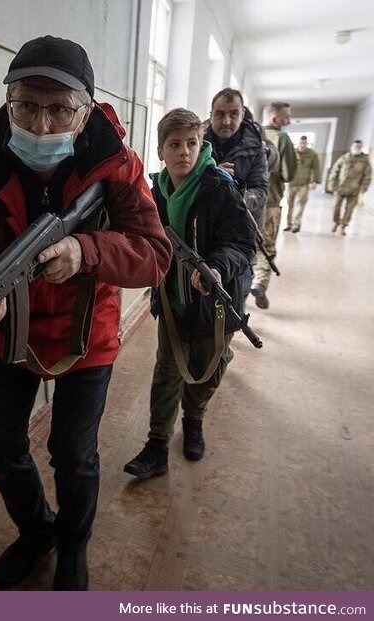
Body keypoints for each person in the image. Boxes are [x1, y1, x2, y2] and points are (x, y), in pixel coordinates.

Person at [0, 35, 172, 591]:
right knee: (2, 446)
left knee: (73, 455)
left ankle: (74, 547)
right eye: (27, 105)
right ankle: (37, 532)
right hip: (9, 336)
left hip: (88, 337)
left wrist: (87, 252)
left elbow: (155, 255)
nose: (40, 124)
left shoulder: (119, 168)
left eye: (59, 107)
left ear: (85, 112)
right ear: (9, 102)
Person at [123, 108, 254, 480]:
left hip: (216, 301)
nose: (184, 151)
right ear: (161, 150)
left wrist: (216, 267)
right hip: (173, 300)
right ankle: (157, 446)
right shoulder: (154, 194)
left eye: (192, 143)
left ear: (202, 145)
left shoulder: (220, 189)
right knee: (168, 371)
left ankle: (194, 420)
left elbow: (241, 243)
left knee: (211, 367)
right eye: (174, 144)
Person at [204, 88, 273, 297]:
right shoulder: (195, 141)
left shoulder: (256, 148)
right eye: (220, 113)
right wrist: (208, 176)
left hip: (241, 231)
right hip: (203, 227)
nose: (226, 121)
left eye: (233, 114)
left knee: (235, 293)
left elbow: (261, 191)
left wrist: (233, 193)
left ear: (242, 114)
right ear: (211, 114)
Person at [250, 101, 297, 310]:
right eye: (286, 117)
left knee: (244, 246)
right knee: (266, 246)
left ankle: (241, 288)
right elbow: (288, 173)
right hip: (270, 201)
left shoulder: (247, 134)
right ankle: (260, 283)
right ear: (275, 119)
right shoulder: (282, 139)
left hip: (246, 201)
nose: (289, 121)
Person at [328, 140, 372, 235]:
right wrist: (332, 184)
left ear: (361, 148)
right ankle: (336, 222)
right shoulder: (344, 158)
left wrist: (364, 187)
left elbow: (367, 175)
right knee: (336, 207)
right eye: (355, 146)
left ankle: (343, 226)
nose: (357, 148)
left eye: (359, 147)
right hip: (341, 187)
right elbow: (334, 171)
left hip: (354, 189)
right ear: (352, 146)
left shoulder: (365, 160)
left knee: (349, 209)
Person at [284, 135, 321, 233]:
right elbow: (285, 165)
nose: (302, 145)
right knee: (289, 204)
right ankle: (289, 224)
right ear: (298, 143)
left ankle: (296, 224)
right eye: (301, 143)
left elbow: (316, 168)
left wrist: (315, 181)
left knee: (300, 204)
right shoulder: (292, 153)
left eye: (304, 143)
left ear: (307, 143)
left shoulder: (312, 154)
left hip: (304, 184)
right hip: (291, 182)